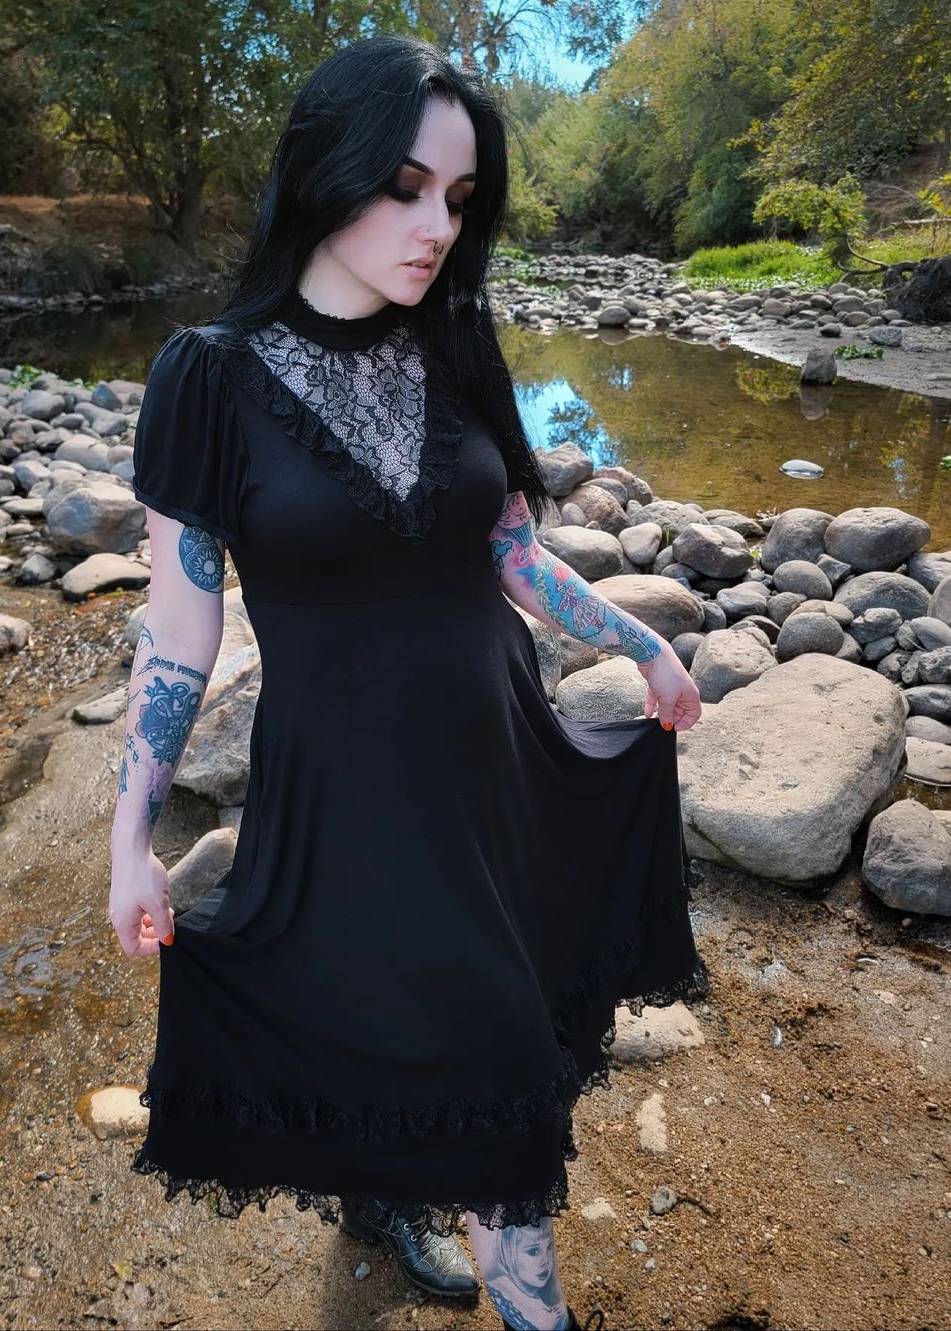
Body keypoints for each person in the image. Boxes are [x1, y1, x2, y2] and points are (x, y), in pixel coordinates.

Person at [109, 33, 709, 1331]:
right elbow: (180, 636)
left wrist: (640, 643)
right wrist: (129, 840)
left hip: (497, 764)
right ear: (323, 171)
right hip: (352, 798)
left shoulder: (456, 343)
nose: (437, 225)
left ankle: (391, 1194)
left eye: (459, 197)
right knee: (483, 1069)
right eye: (405, 187)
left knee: (464, 1034)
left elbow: (511, 555)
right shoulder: (207, 378)